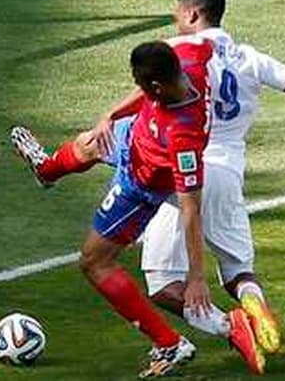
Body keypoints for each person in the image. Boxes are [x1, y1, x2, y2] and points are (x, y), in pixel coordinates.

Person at [11, 0, 285, 373]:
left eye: (176, 16)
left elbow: (188, 202)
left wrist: (198, 277)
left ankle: (219, 329)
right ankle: (252, 301)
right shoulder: (238, 57)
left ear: (192, 14)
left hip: (174, 168)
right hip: (226, 170)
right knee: (237, 271)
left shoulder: (188, 58)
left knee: (160, 283)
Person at [73, 37, 216, 378]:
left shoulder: (183, 139)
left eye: (139, 84)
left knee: (94, 261)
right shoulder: (190, 60)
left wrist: (196, 277)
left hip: (141, 182)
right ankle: (46, 169)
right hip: (136, 137)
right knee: (89, 140)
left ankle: (169, 343)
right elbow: (205, 42)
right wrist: (111, 114)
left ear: (154, 87)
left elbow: (191, 210)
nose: (136, 88)